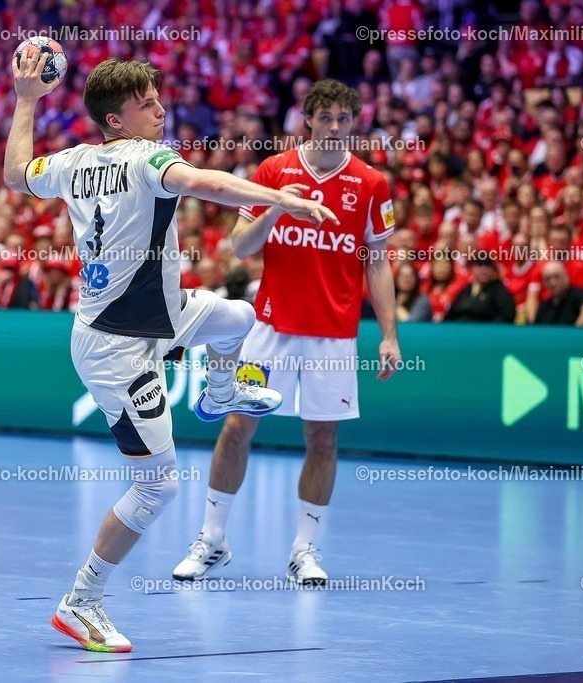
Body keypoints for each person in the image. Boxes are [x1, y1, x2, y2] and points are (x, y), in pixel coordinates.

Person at [3, 56, 335, 653]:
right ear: (117, 119)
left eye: (159, 98)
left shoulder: (72, 162)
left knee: (238, 317)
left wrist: (26, 100)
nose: (161, 109)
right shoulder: (147, 157)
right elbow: (205, 183)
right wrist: (280, 199)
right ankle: (81, 601)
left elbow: (17, 174)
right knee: (157, 486)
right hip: (118, 346)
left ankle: (219, 391)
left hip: (161, 313)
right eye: (147, 103)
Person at [172, 79, 401, 586]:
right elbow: (240, 248)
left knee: (322, 437)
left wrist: (389, 334)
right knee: (237, 425)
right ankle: (212, 540)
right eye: (326, 118)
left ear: (354, 123)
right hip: (270, 326)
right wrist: (277, 205)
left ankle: (305, 549)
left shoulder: (370, 184)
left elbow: (379, 262)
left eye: (345, 119)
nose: (335, 128)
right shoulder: (275, 171)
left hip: (334, 334)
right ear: (308, 120)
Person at [444, 256, 516, 323]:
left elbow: (507, 316)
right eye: (480, 266)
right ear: (473, 268)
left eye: (487, 266)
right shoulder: (466, 290)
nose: (484, 271)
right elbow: (452, 314)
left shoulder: (500, 292)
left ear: (492, 269)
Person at [533, 261, 583, 327]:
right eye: (548, 279)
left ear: (566, 276)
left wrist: (574, 335)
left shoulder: (580, 294)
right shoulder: (544, 306)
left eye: (557, 277)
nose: (552, 283)